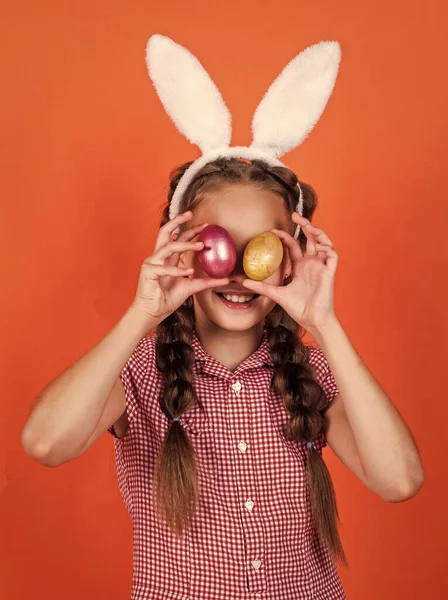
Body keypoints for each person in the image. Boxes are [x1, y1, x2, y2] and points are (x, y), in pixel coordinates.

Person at [22, 36, 424, 600]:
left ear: (288, 260)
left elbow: (401, 481)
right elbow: (44, 442)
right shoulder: (140, 372)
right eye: (217, 245)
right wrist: (141, 314)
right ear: (182, 247)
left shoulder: (310, 374)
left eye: (259, 249)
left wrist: (327, 325)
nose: (236, 273)